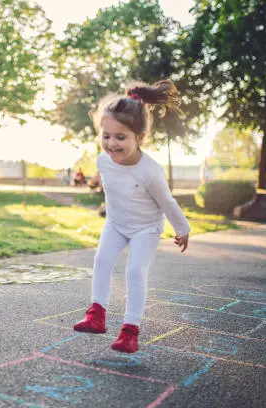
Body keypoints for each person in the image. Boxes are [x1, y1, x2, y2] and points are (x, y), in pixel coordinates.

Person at [73, 80, 190, 353]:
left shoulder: (150, 171)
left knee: (135, 271)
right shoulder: (103, 161)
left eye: (120, 138)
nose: (111, 144)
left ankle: (130, 331)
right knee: (101, 260)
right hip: (116, 223)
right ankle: (96, 316)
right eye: (106, 136)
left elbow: (167, 202)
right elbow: (112, 186)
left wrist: (182, 228)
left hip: (145, 228)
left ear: (140, 137)